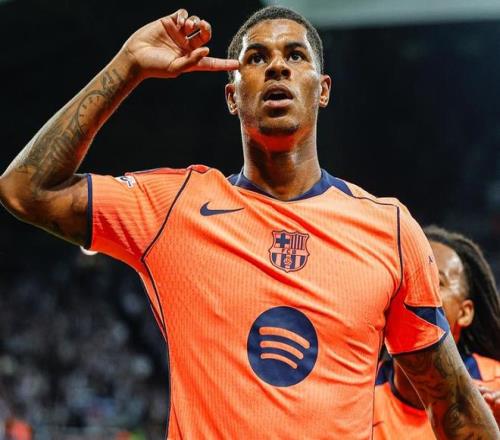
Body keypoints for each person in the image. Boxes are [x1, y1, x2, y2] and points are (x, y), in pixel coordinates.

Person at [0, 6, 498, 439]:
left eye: (295, 56)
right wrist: (127, 66)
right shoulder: (172, 208)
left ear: (322, 90)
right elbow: (26, 188)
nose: (277, 65)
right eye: (256, 58)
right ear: (232, 96)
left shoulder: (389, 229)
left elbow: (455, 408)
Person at [373, 225, 500, 438]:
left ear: (465, 312)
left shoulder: (496, 383)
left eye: (436, 281)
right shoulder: (358, 388)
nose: (415, 289)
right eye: (405, 277)